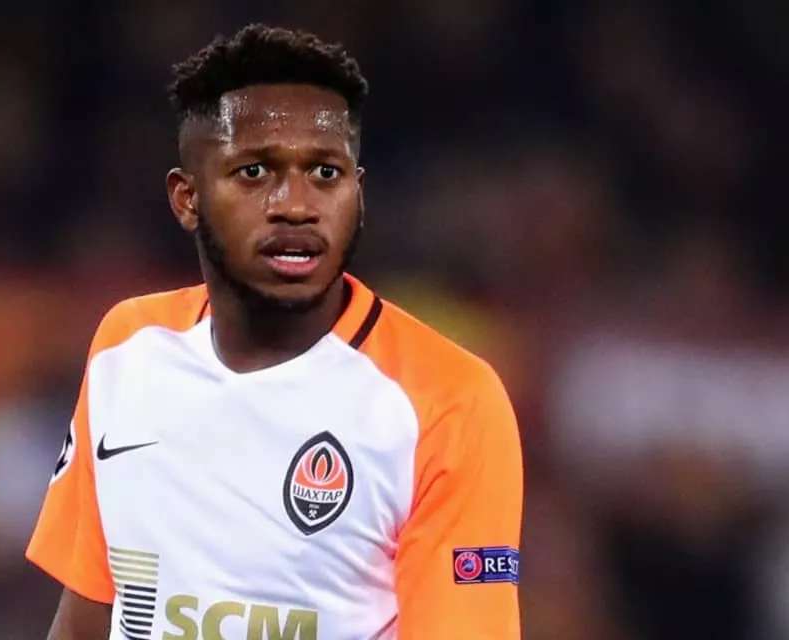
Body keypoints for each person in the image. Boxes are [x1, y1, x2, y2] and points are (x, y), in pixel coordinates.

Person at [26, 23, 524, 640]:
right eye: (256, 171)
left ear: (359, 193)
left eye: (325, 173)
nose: (296, 204)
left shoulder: (448, 400)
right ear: (187, 199)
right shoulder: (127, 349)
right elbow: (85, 617)